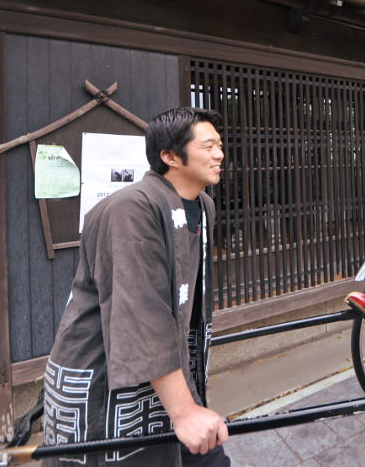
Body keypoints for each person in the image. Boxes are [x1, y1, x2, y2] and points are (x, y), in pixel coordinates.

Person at [42, 108, 230, 466]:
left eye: (220, 145)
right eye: (208, 146)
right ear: (170, 156)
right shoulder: (131, 208)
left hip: (166, 366)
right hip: (104, 369)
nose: (219, 154)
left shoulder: (202, 205)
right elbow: (141, 312)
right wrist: (184, 411)